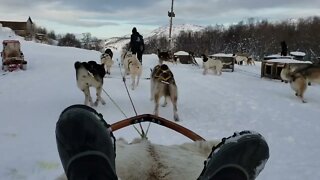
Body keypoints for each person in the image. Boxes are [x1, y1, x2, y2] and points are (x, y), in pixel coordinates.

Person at [56, 104, 269, 180]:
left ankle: (93, 175)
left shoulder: (121, 145)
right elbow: (207, 148)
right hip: (193, 163)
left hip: (119, 158)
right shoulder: (193, 150)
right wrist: (215, 147)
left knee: (89, 172)